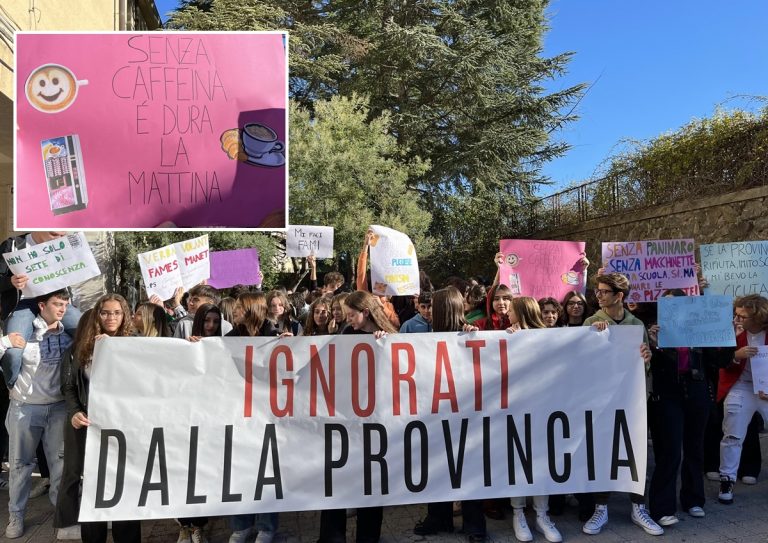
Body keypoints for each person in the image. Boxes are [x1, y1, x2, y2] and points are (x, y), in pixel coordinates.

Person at [581, 273, 661, 537]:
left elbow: (644, 365)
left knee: (635, 451)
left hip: (632, 400)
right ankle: (600, 508)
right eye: (598, 291)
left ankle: (639, 507)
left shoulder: (636, 323)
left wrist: (646, 357)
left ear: (619, 296)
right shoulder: (592, 322)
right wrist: (593, 338)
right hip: (603, 400)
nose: (598, 295)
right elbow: (583, 361)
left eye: (604, 291)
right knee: (604, 452)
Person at [57, 294, 140, 543]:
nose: (111, 317)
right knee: (93, 486)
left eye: (116, 312)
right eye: (105, 312)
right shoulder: (81, 345)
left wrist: (194, 345)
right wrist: (74, 412)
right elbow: (68, 386)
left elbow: (153, 375)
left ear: (124, 315)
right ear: (98, 314)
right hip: (89, 426)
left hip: (125, 428)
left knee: (125, 485)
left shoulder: (136, 344)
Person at [318, 291, 397, 543]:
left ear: (366, 312)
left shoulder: (390, 338)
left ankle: (368, 536)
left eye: (352, 315)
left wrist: (385, 345)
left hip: (375, 423)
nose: (348, 319)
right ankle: (332, 536)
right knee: (338, 477)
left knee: (372, 482)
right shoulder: (346, 335)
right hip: (346, 421)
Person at [411, 286, 487, 543]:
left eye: (433, 305)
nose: (428, 310)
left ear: (445, 309)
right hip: (437, 413)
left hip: (466, 414)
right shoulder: (430, 335)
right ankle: (439, 517)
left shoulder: (470, 334)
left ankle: (475, 524)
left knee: (469, 468)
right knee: (438, 468)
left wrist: (473, 337)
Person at [646, 289, 728, 525]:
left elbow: (719, 361)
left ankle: (693, 500)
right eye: (667, 305)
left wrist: (727, 336)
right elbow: (649, 363)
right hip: (669, 394)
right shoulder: (655, 331)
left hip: (697, 391)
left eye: (677, 304)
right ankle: (662, 508)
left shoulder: (700, 329)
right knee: (670, 450)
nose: (672, 309)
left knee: (694, 448)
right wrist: (653, 345)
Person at [5, 289, 73, 539]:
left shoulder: (68, 335)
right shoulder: (24, 332)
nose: (62, 309)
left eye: (65, 304)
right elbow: (10, 358)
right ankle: (16, 516)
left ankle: (63, 518)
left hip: (58, 408)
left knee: (61, 466)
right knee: (21, 465)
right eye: (57, 304)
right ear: (42, 305)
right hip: (25, 408)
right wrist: (6, 343)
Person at [502, 297, 562, 543]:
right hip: (515, 410)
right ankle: (518, 514)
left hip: (543, 409)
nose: (507, 314)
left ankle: (542, 515)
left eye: (512, 311)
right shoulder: (505, 335)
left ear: (522, 312)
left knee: (541, 462)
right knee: (519, 462)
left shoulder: (549, 337)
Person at [226, 292, 280, 543]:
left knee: (267, 471)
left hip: (268, 414)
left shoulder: (274, 336)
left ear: (251, 310)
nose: (234, 310)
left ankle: (266, 526)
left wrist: (291, 347)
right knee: (239, 470)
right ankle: (241, 525)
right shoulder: (230, 338)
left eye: (238, 307)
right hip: (239, 413)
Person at [0, 232, 82, 389]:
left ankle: (79, 387)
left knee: (88, 333)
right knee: (13, 353)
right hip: (21, 306)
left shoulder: (65, 245)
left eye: (62, 235)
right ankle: (13, 389)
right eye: (54, 234)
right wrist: (10, 281)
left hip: (56, 302)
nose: (58, 239)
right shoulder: (13, 245)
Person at [717, 294, 768, 505]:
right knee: (732, 435)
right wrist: (736, 354)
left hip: (765, 389)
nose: (737, 320)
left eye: (742, 316)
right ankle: (727, 479)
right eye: (736, 315)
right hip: (742, 386)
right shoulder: (731, 332)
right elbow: (718, 361)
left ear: (758, 317)